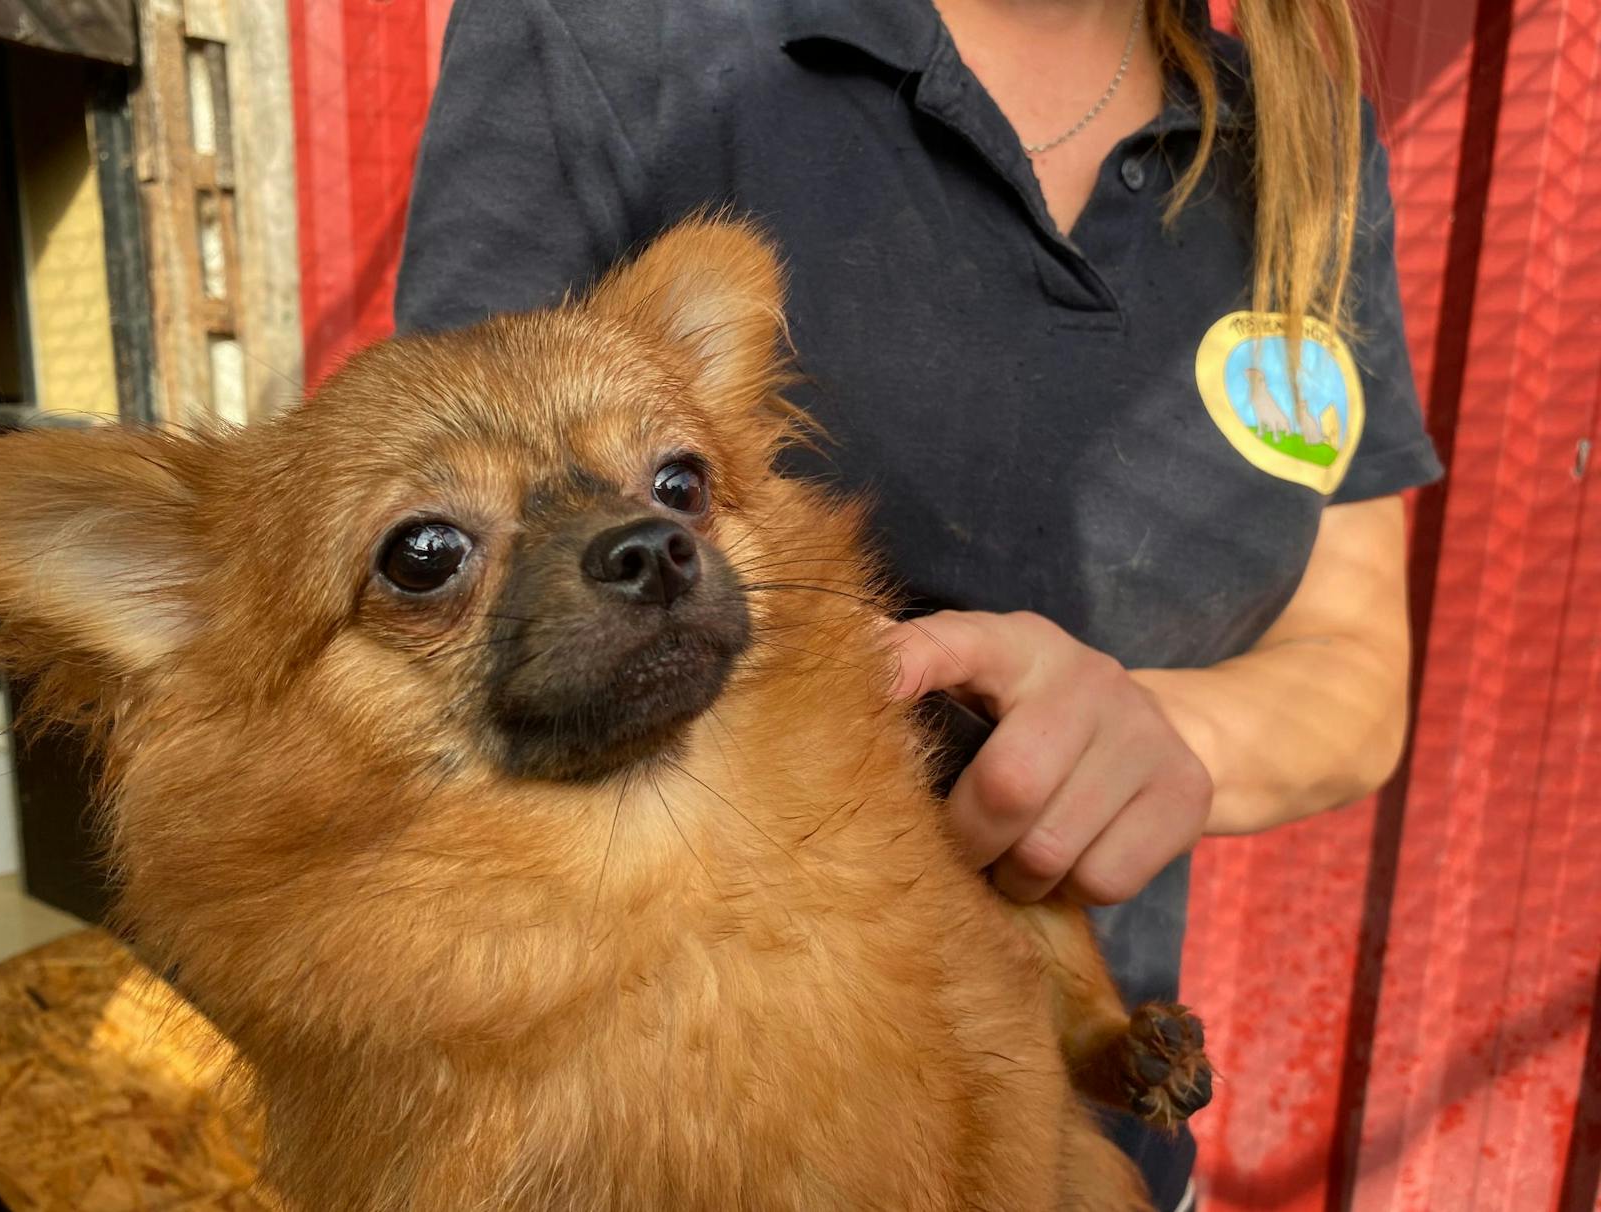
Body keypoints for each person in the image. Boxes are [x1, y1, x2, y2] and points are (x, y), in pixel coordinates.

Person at [393, 1, 1444, 1207]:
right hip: (701, 1133)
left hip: (1079, 1139)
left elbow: (1353, 665)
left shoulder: (1301, 141)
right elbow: (453, 637)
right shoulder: (609, 35)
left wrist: (1146, 737)